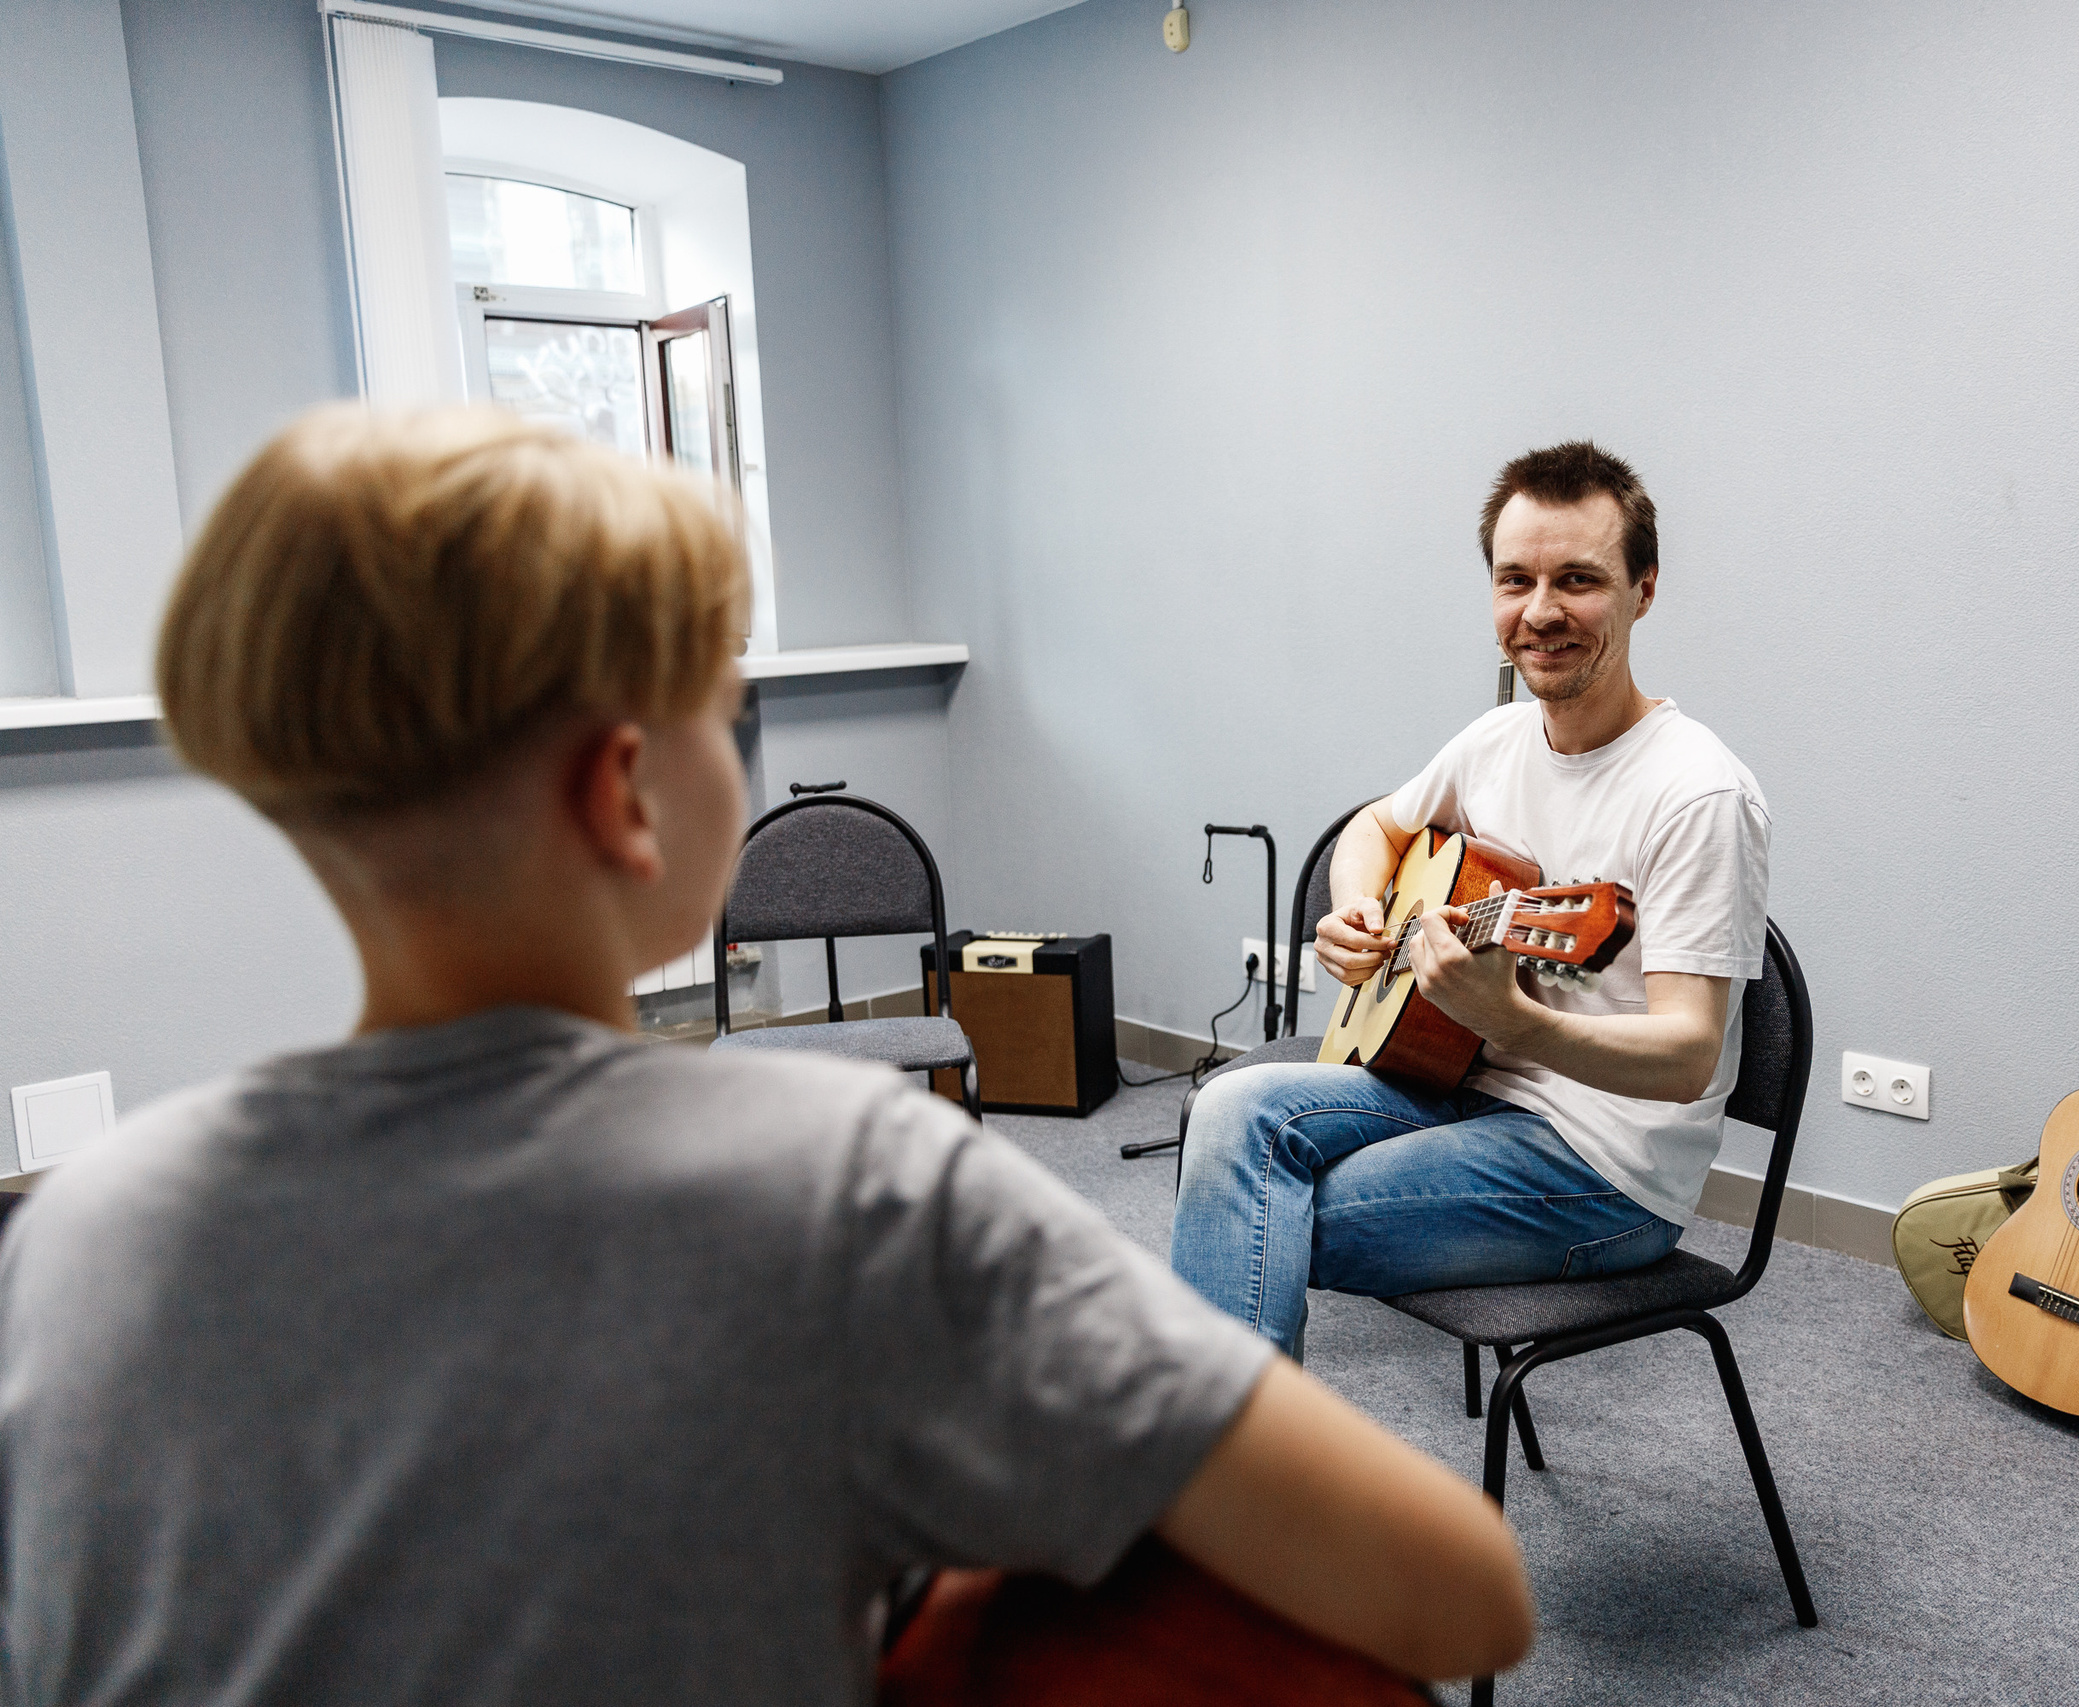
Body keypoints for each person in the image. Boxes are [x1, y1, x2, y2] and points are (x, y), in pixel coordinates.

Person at [0, 406, 1531, 1705]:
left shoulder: (79, 1228)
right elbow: (1462, 1596)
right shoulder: (846, 1185)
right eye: (726, 713)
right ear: (626, 793)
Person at [1169, 441, 1770, 1355]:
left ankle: (1226, 1478)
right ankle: (1236, 1470)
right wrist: (1360, 909)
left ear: (1645, 587)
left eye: (1578, 579)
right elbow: (1373, 826)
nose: (1540, 611)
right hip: (1459, 1081)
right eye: (1514, 580)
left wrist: (1518, 1021)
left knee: (1251, 1216)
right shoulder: (1495, 739)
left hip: (1602, 1166)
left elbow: (1688, 1054)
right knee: (1225, 1113)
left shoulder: (1697, 793)